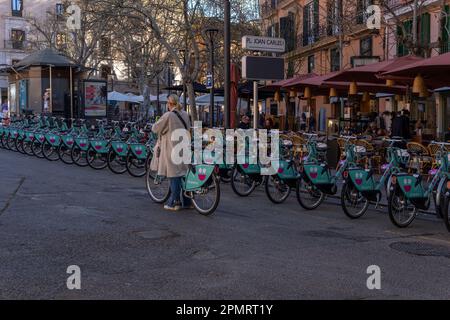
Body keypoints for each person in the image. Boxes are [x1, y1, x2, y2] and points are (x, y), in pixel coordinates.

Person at [151, 94, 192, 211]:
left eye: (167, 104)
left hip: (172, 148)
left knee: (174, 175)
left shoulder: (168, 115)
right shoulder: (185, 114)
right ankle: (187, 201)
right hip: (184, 147)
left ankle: (174, 202)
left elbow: (155, 128)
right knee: (184, 174)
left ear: (169, 104)